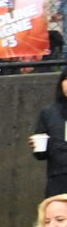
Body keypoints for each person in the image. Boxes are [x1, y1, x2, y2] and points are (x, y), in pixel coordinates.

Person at [31, 69, 67, 200]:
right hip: (59, 178)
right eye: (66, 79)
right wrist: (37, 146)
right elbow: (41, 154)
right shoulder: (49, 113)